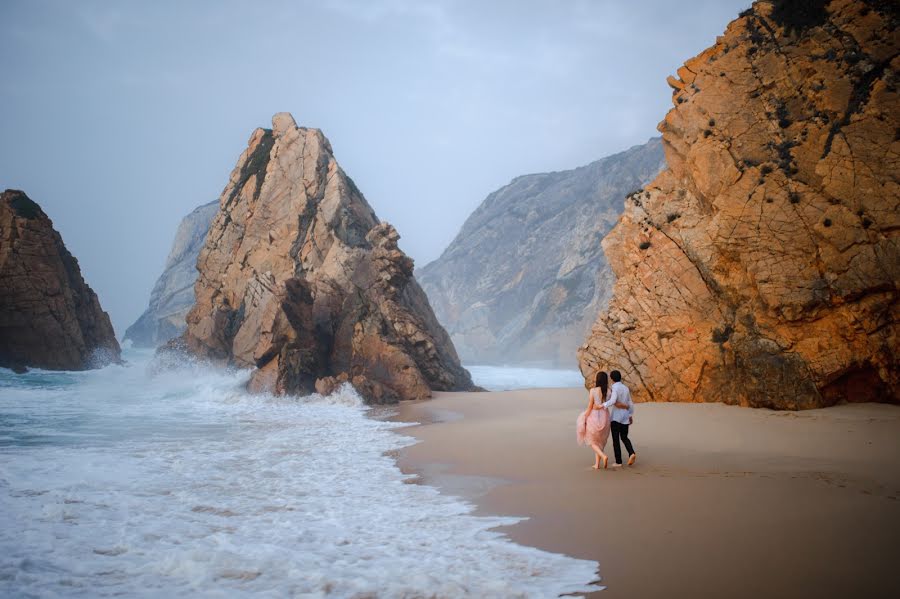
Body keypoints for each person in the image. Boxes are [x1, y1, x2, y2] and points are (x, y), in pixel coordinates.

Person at [576, 371, 619, 469]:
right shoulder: (609, 391)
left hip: (594, 417)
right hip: (605, 417)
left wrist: (584, 417)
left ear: (597, 379)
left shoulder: (593, 390)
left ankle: (603, 456)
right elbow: (611, 402)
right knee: (600, 441)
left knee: (592, 441)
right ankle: (597, 464)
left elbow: (590, 406)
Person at [608, 370, 637, 467]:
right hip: (625, 415)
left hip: (616, 417)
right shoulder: (625, 388)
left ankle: (618, 462)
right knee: (624, 437)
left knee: (616, 440)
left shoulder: (614, 387)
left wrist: (603, 405)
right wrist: (630, 415)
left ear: (612, 379)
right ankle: (631, 452)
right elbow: (630, 402)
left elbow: (613, 401)